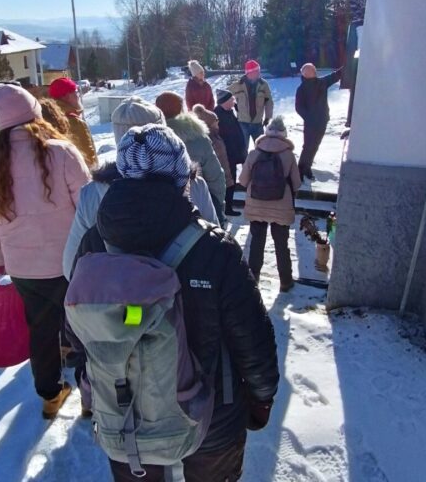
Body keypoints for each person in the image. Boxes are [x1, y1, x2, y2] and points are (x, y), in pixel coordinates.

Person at [71, 124, 279, 482]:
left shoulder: (94, 243)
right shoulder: (214, 249)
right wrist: (261, 397)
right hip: (212, 416)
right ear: (183, 176)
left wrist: (89, 385)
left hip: (126, 415)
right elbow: (251, 338)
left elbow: (77, 328)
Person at [0, 84, 91, 418]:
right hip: (70, 262)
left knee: (41, 330)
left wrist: (0, 264)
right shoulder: (62, 152)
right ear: (34, 114)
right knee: (84, 330)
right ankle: (92, 398)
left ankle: (50, 395)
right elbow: (88, 206)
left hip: (23, 268)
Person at [62, 96, 217, 279]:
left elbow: (71, 265)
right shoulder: (194, 186)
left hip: (121, 300)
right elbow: (214, 247)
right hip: (187, 294)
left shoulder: (93, 193)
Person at [239, 115, 301, 292]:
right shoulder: (288, 155)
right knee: (281, 244)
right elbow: (296, 183)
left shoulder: (254, 153)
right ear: (284, 134)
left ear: (266, 132)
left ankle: (253, 278)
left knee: (257, 242)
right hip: (281, 205)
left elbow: (243, 180)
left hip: (256, 203)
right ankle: (286, 281)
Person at [156, 91, 227, 225]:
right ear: (182, 109)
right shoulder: (198, 137)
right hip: (200, 207)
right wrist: (216, 204)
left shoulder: (149, 139)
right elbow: (215, 175)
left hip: (162, 211)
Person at [295, 63, 340, 181]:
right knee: (308, 146)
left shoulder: (321, 83)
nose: (315, 72)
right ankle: (300, 170)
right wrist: (309, 118)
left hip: (322, 121)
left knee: (315, 146)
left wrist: (350, 64)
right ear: (307, 74)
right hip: (311, 124)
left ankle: (307, 167)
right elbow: (299, 108)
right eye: (313, 71)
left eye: (314, 71)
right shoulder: (301, 89)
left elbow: (336, 75)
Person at [192, 104, 235, 218]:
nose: (218, 122)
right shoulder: (207, 139)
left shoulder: (216, 135)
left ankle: (227, 210)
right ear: (209, 123)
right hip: (215, 179)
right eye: (216, 120)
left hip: (222, 173)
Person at [47, 77, 98, 168]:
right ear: (66, 96)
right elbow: (88, 157)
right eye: (75, 91)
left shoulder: (48, 119)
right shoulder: (74, 122)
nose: (78, 95)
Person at [214, 89, 248, 217]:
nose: (234, 101)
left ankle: (228, 206)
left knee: (232, 181)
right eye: (232, 99)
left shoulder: (229, 112)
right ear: (225, 101)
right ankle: (227, 207)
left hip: (234, 153)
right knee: (229, 181)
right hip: (227, 155)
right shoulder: (217, 115)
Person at [228, 60, 273, 152]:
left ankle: (261, 166)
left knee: (262, 149)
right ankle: (246, 166)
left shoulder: (263, 85)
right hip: (242, 123)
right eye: (257, 70)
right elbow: (224, 97)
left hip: (258, 123)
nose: (259, 72)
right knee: (243, 150)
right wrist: (233, 108)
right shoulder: (238, 85)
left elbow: (269, 102)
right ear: (250, 72)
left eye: (259, 70)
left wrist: (268, 117)